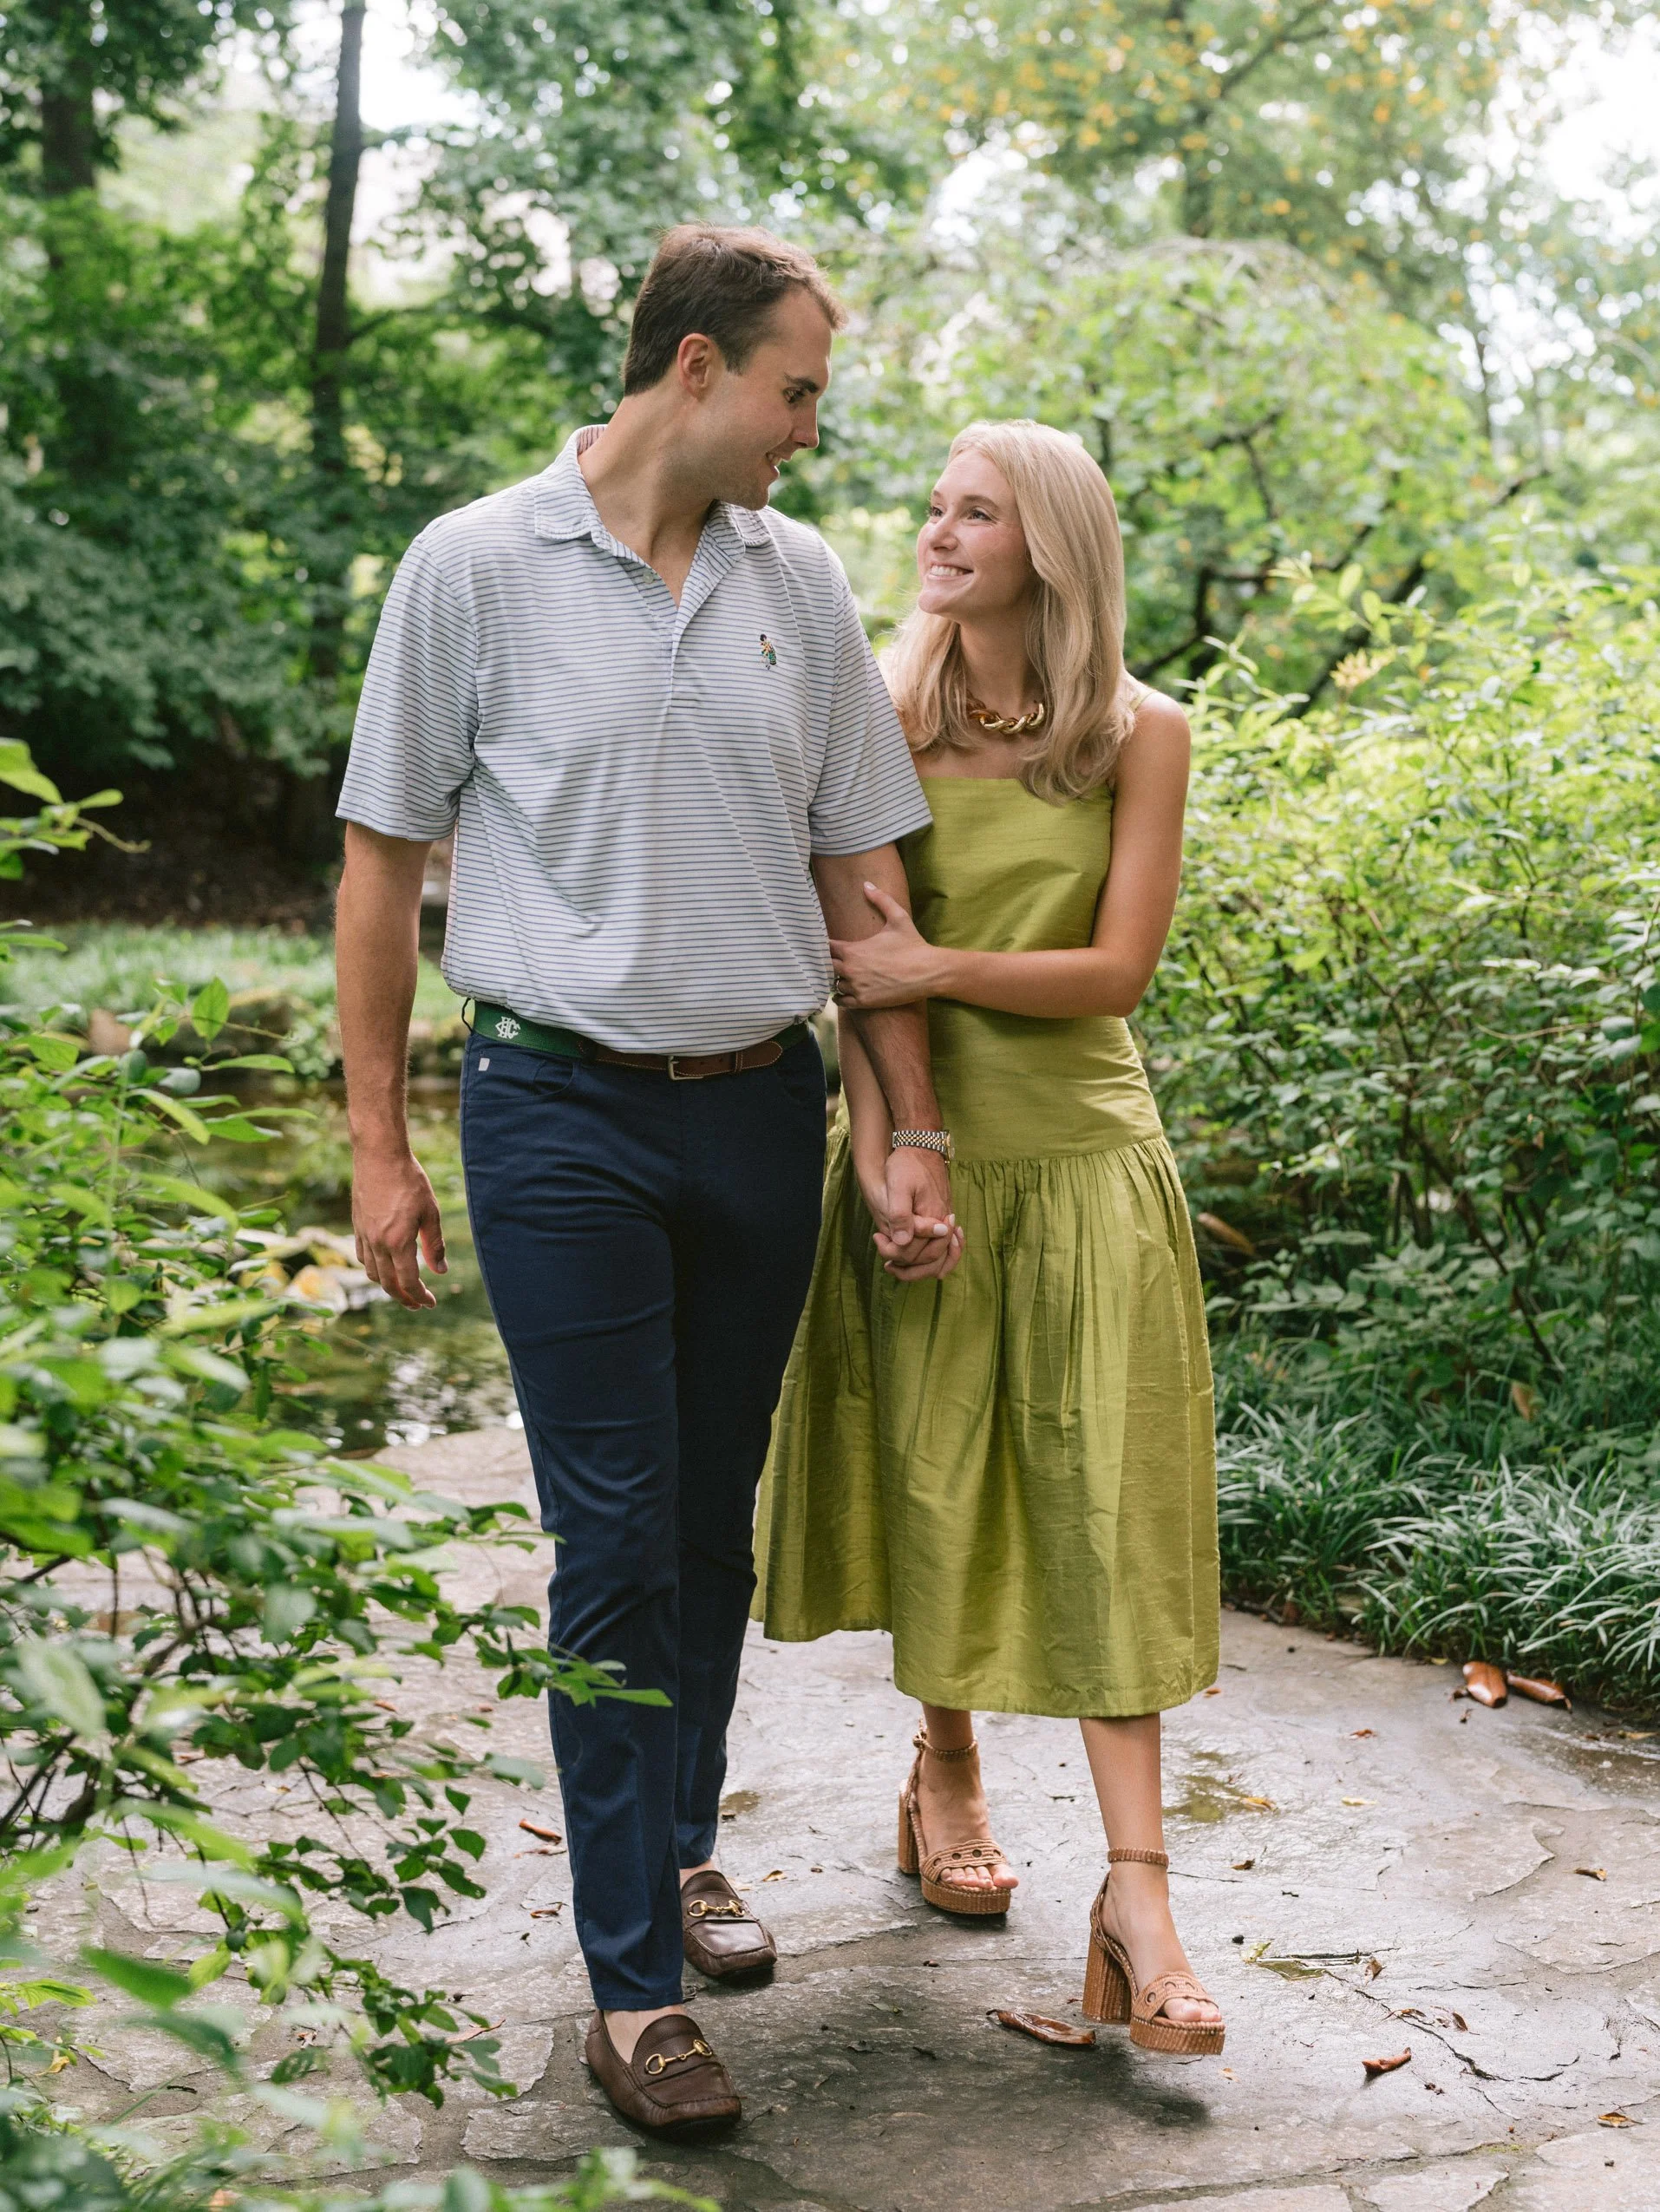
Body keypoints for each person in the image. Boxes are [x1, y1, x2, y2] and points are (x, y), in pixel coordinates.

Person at [332, 225, 965, 2137]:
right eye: (794, 393)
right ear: (693, 369)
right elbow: (380, 860)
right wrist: (374, 1140)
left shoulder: (808, 582)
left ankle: (678, 1847)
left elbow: (871, 881)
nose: (807, 433)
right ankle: (631, 1984)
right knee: (610, 1539)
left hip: (760, 1112)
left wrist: (901, 1125)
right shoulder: (472, 567)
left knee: (708, 1532)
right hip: (561, 1118)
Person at [755, 418, 1225, 2055]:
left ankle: (1138, 1897)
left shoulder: (1137, 733)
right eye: (933, 507)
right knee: (937, 1470)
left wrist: (935, 973)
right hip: (925, 1149)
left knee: (1102, 1505)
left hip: (1091, 1167)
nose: (938, 532)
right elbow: (857, 983)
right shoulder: (879, 720)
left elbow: (1111, 974)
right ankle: (942, 1764)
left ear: (1052, 544)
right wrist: (896, 1164)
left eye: (977, 512)